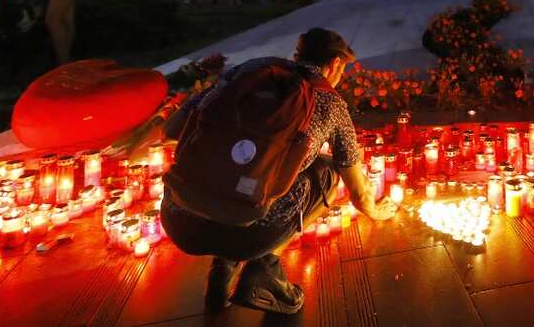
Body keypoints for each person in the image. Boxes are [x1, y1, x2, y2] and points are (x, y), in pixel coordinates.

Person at [161, 28, 397, 313]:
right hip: (248, 232)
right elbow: (359, 194)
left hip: (179, 219)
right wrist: (377, 211)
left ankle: (222, 272)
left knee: (243, 177)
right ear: (335, 64)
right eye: (341, 69)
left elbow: (172, 129)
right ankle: (264, 273)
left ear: (297, 55)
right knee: (326, 172)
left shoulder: (246, 72)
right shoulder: (331, 101)